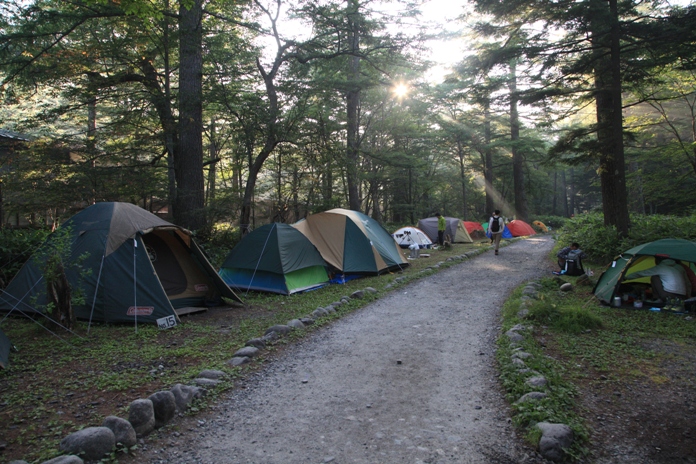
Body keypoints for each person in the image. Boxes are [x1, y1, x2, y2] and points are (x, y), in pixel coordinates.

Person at [624, 256, 691, 304]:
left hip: (668, 296)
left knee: (655, 277)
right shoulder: (680, 267)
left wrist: (626, 277)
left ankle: (657, 299)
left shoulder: (661, 267)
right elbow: (688, 283)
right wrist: (688, 296)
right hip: (682, 297)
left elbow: (642, 273)